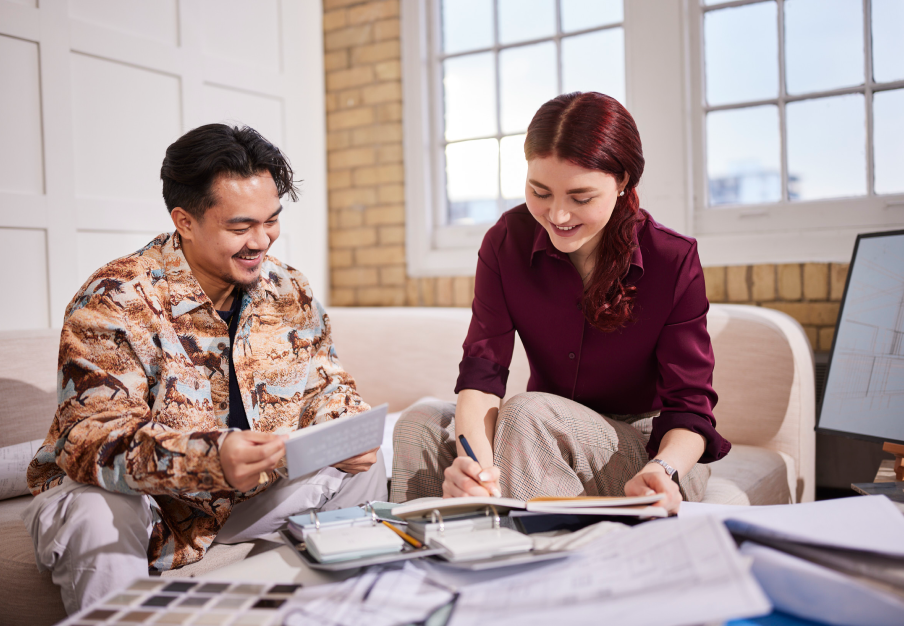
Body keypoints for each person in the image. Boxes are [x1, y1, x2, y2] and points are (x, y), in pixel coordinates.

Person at [23, 124, 386, 614]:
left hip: (241, 503)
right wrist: (211, 458)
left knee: (363, 463)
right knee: (96, 509)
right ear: (185, 221)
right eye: (241, 228)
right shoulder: (115, 300)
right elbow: (93, 437)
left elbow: (326, 384)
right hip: (149, 507)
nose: (262, 241)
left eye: (271, 220)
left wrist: (346, 424)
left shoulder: (288, 289)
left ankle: (343, 613)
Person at [391, 92, 731, 512]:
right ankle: (430, 561)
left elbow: (690, 409)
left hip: (649, 452)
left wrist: (664, 468)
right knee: (418, 424)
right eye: (540, 191)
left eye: (580, 197)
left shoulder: (672, 258)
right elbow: (482, 376)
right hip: (538, 432)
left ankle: (537, 564)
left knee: (528, 414)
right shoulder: (506, 242)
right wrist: (473, 469)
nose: (558, 215)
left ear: (623, 181)